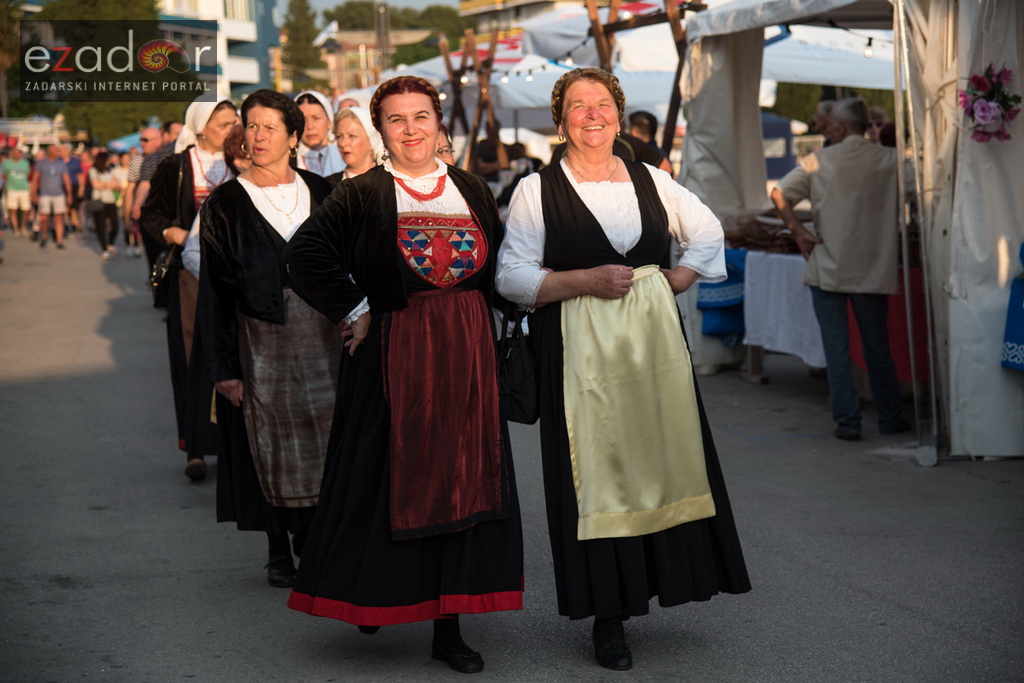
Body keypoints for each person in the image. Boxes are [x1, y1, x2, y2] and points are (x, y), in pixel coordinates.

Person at [496, 68, 750, 671]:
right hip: (574, 351)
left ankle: (657, 582)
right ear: (560, 122)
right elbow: (509, 276)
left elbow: (708, 231)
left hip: (651, 348)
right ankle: (608, 617)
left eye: (602, 104)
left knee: (661, 457)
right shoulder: (538, 190)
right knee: (596, 475)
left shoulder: (651, 179)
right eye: (578, 106)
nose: (592, 114)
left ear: (617, 113)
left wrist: (681, 275)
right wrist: (581, 280)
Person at [283, 75, 523, 675]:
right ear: (380, 129)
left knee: (462, 481)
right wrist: (357, 307)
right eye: (397, 119)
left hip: (466, 351)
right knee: (382, 480)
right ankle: (376, 595)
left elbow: (498, 270)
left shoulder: (468, 186)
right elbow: (304, 256)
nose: (411, 130)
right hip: (395, 348)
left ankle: (449, 626)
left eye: (422, 117)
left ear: (439, 123)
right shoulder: (362, 192)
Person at [197, 89, 340, 588]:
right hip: (259, 339)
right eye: (251, 126)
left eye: (269, 127)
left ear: (294, 137)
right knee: (271, 442)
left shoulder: (325, 192)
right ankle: (278, 548)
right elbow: (214, 292)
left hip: (327, 338)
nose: (257, 136)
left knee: (328, 438)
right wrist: (224, 368)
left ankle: (320, 543)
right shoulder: (225, 203)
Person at [769, 97, 911, 441]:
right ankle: (890, 417)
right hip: (873, 268)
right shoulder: (892, 161)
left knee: (837, 349)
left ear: (842, 127)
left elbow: (778, 194)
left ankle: (847, 421)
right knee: (878, 348)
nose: (828, 129)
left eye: (831, 125)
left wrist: (799, 231)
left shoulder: (819, 160)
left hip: (829, 265)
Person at [141, 99, 237, 481]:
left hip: (233, 273)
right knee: (190, 353)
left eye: (234, 122)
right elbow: (151, 214)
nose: (232, 129)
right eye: (223, 123)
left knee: (233, 355)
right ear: (201, 127)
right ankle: (193, 445)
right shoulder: (176, 166)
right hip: (189, 275)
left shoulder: (241, 162)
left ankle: (231, 444)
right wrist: (180, 235)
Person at [325, 106, 382, 185]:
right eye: (339, 136)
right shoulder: (325, 186)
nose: (343, 143)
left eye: (352, 136)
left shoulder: (390, 182)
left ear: (371, 141)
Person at [30, 145, 72, 250]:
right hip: (45, 194)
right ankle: (44, 236)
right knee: (44, 218)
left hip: (59, 194)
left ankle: (59, 240)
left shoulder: (61, 163)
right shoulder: (41, 163)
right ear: (49, 151)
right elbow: (35, 179)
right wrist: (34, 193)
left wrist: (69, 194)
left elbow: (66, 180)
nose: (57, 152)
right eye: (55, 150)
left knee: (59, 218)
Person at [294, 90, 345, 176]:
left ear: (329, 122)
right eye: (303, 120)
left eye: (316, 118)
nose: (309, 126)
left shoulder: (345, 154)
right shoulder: (289, 160)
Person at [88, 151, 122, 259]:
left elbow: (117, 184)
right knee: (101, 226)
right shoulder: (93, 171)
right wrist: (110, 184)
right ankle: (103, 248)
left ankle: (111, 243)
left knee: (115, 225)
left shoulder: (111, 170)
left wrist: (105, 184)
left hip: (111, 200)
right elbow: (96, 185)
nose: (109, 162)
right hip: (100, 200)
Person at [2, 147, 32, 237]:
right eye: (15, 153)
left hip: (24, 189)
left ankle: (24, 227)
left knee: (26, 210)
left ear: (20, 154)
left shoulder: (25, 163)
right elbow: (4, 175)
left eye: (18, 153)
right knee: (13, 210)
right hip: (12, 189)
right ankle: (16, 229)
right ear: (11, 154)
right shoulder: (6, 163)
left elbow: (27, 174)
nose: (16, 155)